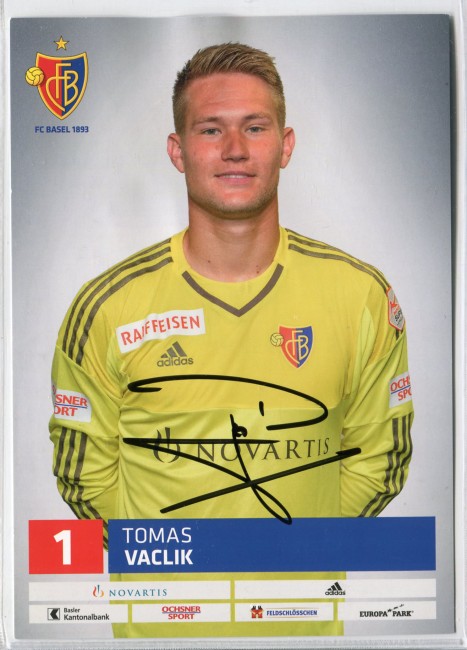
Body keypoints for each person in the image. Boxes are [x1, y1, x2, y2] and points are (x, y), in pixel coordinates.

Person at [49, 43, 413, 638]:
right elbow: (85, 478)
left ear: (285, 146)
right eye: (211, 129)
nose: (235, 149)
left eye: (255, 127)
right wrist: (177, 573)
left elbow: (381, 460)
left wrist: (292, 556)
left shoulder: (362, 297)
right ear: (178, 151)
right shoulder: (108, 308)